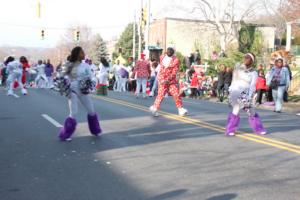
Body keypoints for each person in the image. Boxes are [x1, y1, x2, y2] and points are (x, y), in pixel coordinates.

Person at [58, 46, 101, 141]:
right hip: (72, 90)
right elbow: (60, 76)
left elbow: (92, 76)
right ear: (77, 54)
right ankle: (66, 134)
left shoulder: (86, 65)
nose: (84, 54)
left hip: (83, 90)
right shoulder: (69, 64)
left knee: (91, 110)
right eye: (82, 53)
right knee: (73, 112)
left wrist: (92, 83)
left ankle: (95, 129)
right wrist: (65, 87)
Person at [225, 53, 266, 136]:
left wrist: (250, 96)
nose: (246, 59)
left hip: (245, 94)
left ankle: (259, 128)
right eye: (245, 57)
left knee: (251, 112)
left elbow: (252, 86)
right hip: (236, 92)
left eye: (248, 58)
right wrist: (230, 91)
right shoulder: (238, 67)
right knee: (236, 110)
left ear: (252, 61)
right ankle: (230, 130)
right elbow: (234, 79)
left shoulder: (254, 73)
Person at [149, 47, 188, 117]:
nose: (169, 51)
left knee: (176, 94)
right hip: (162, 80)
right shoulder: (162, 57)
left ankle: (180, 109)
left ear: (173, 52)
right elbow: (156, 61)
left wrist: (168, 79)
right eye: (168, 50)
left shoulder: (176, 60)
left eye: (171, 50)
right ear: (166, 51)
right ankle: (154, 108)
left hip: (171, 81)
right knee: (160, 95)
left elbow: (174, 72)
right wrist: (162, 80)